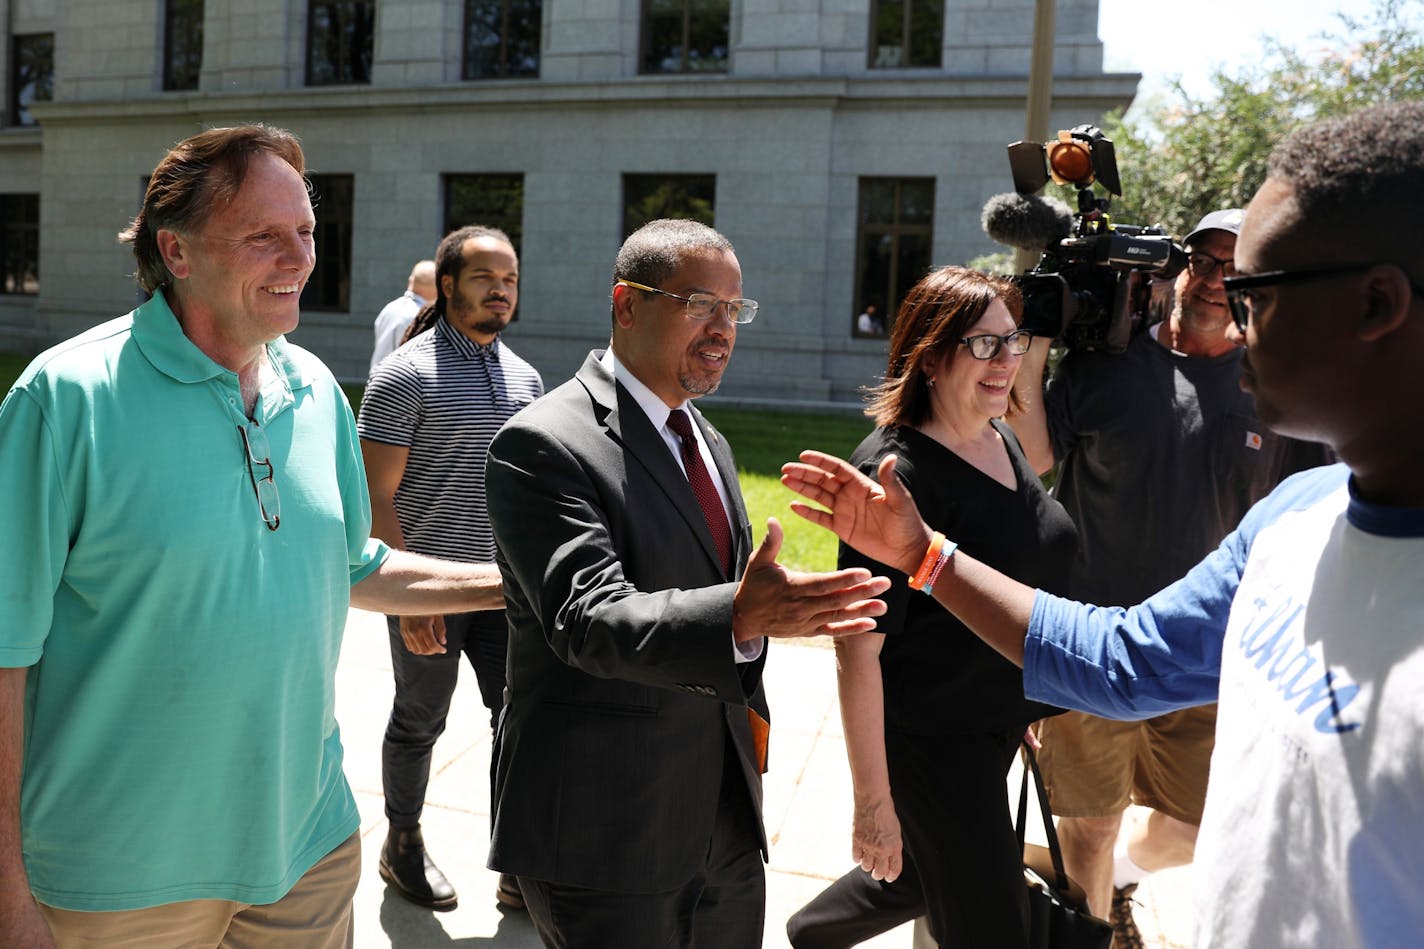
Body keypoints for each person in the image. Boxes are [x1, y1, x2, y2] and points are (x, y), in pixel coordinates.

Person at [781, 100, 1424, 949]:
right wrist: (920, 553)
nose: (1230, 309)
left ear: (1377, 302)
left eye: (1254, 289)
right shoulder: (1290, 524)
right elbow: (1122, 661)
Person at [0, 125, 505, 948]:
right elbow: (4, 651)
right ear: (178, 250)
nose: (300, 257)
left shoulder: (314, 389)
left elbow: (354, 565)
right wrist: (7, 896)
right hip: (118, 880)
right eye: (265, 235)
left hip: (306, 853)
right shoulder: (63, 400)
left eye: (306, 231)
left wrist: (516, 582)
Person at [484, 218, 892, 949]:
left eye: (734, 309)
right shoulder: (542, 442)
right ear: (626, 303)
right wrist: (738, 613)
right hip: (605, 829)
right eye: (699, 302)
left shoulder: (709, 438)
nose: (722, 328)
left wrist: (767, 609)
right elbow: (587, 618)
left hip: (725, 818)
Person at [1006, 207, 1330, 940]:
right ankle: (1093, 925)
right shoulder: (1109, 364)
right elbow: (1032, 458)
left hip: (1214, 650)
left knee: (1196, 826)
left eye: (1236, 268)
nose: (1216, 280)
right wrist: (1035, 346)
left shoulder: (1274, 382)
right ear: (1179, 264)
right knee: (1087, 826)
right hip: (1092, 640)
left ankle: (1117, 878)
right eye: (1206, 260)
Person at [785, 267, 1076, 948]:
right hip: (931, 744)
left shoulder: (998, 436)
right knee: (991, 921)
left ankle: (811, 934)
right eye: (985, 345)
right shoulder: (894, 476)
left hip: (993, 723)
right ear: (932, 356)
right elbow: (857, 650)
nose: (1008, 361)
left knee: (921, 872)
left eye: (1015, 341)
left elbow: (1013, 570)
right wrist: (873, 804)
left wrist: (1017, 693)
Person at [358, 225, 542, 913]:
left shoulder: (527, 377)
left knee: (519, 719)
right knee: (418, 720)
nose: (501, 289)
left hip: (503, 591)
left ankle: (515, 861)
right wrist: (408, 598)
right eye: (485, 276)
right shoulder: (404, 375)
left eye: (511, 278)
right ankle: (400, 843)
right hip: (425, 589)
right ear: (446, 285)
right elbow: (375, 496)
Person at [369, 259, 436, 374]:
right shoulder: (422, 317)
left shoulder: (389, 308)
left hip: (379, 380)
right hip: (398, 383)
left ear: (411, 281)